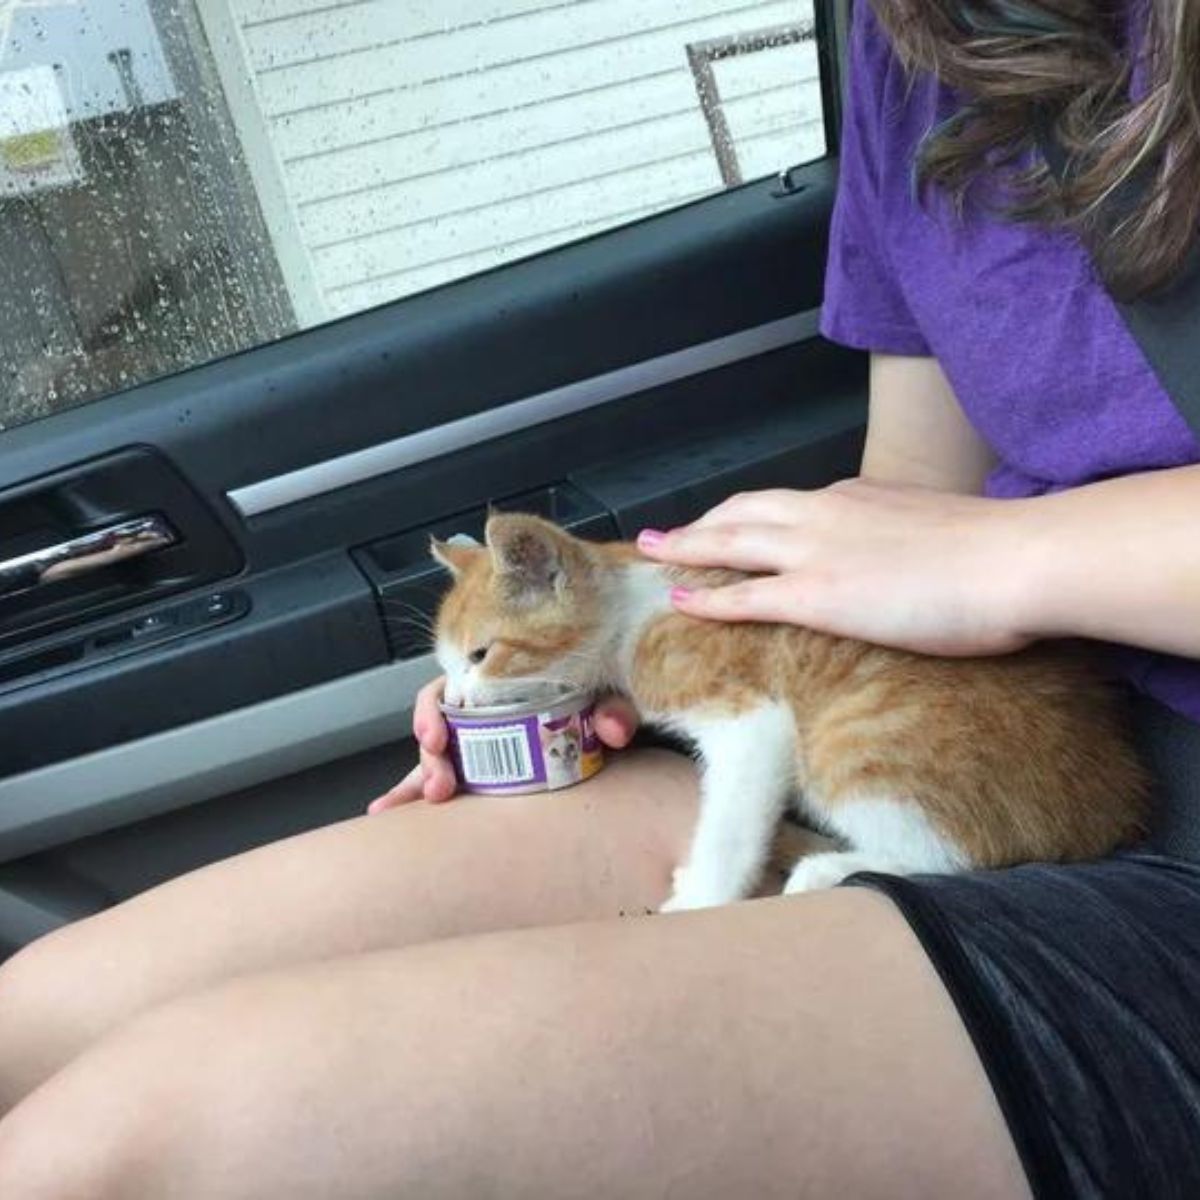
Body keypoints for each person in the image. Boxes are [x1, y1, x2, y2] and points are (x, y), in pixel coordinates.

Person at [1, 1, 1199, 1194]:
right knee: (33, 1028)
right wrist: (604, 666)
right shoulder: (918, 43)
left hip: (1129, 826)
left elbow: (957, 552)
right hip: (1016, 711)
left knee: (128, 1153)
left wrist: (1009, 562)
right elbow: (913, 497)